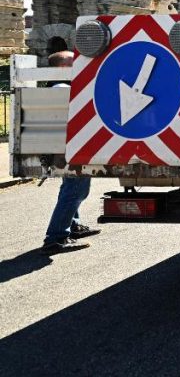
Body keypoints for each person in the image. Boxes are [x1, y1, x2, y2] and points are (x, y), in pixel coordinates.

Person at [41, 50, 100, 255]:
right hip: (70, 148)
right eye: (73, 62)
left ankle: (73, 225)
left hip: (67, 147)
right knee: (76, 190)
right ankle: (56, 237)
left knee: (71, 187)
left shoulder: (60, 87)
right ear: (63, 68)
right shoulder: (62, 88)